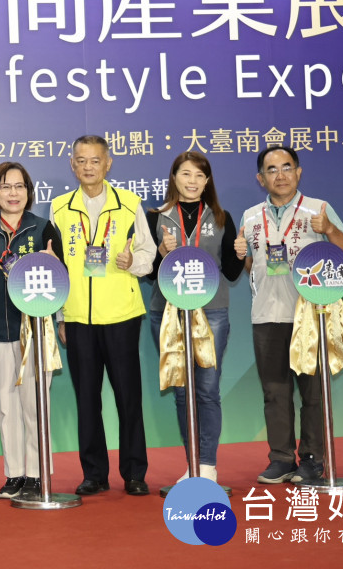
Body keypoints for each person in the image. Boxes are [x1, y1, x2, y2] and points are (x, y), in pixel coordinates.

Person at [237, 145, 343, 485]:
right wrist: (241, 253)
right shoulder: (250, 216)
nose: (281, 175)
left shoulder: (319, 209)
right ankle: (281, 459)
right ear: (261, 178)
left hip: (309, 316)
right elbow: (252, 267)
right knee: (274, 391)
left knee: (313, 393)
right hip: (267, 315)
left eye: (287, 167)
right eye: (271, 169)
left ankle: (313, 459)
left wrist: (328, 229)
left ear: (298, 172)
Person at [51, 135, 154, 497]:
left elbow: (148, 253)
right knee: (87, 399)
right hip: (78, 316)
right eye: (81, 160)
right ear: (72, 165)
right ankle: (94, 473)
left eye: (95, 160)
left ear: (108, 163)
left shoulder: (129, 203)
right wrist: (61, 316)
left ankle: (134, 473)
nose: (88, 167)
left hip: (122, 314)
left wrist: (133, 262)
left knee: (129, 397)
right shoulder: (59, 208)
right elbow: (56, 266)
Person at [0, 162, 62, 501]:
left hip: (35, 331)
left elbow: (60, 281)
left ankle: (36, 473)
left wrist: (54, 265)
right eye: (5, 186)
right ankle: (15, 474)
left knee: (35, 405)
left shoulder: (44, 228)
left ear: (28, 192)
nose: (13, 193)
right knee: (6, 406)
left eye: (19, 186)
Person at [145, 152, 242, 484]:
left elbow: (231, 272)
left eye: (199, 175)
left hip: (211, 311)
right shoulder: (155, 217)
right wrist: (161, 254)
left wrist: (239, 254)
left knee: (207, 390)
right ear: (174, 177)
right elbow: (148, 274)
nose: (192, 181)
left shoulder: (221, 217)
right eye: (186, 174)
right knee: (181, 391)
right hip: (167, 312)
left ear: (207, 181)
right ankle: (192, 465)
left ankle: (208, 465)